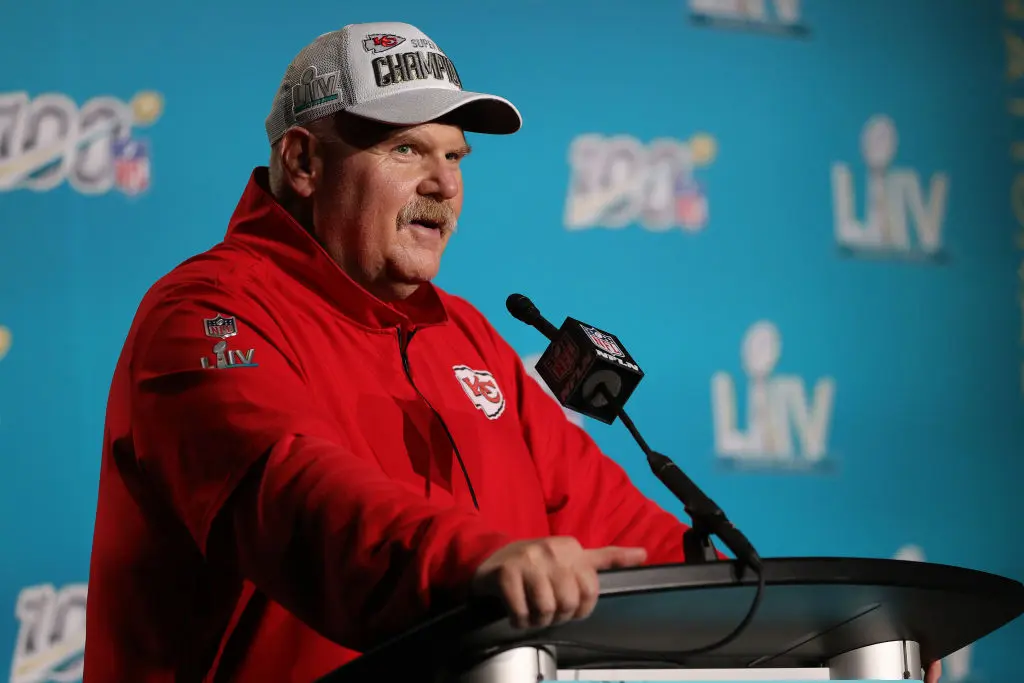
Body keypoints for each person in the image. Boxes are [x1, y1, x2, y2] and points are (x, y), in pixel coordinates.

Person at [82, 20, 942, 683]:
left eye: (456, 155)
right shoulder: (204, 314)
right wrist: (477, 560)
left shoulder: (471, 339)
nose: (443, 182)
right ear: (303, 162)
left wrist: (802, 636)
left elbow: (610, 525)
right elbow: (297, 494)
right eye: (406, 147)